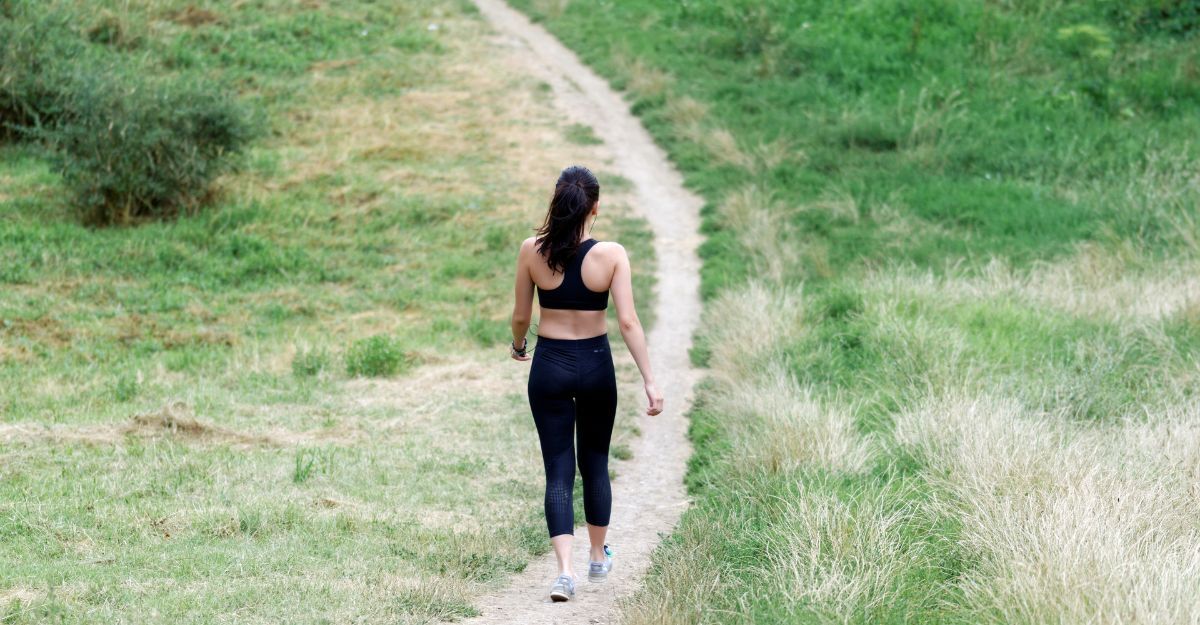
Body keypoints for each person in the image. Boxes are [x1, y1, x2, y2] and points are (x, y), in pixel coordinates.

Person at [509, 165, 664, 602]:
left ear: (556, 203)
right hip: (595, 365)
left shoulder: (531, 250)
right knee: (594, 462)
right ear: (594, 207)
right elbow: (629, 322)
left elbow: (522, 315)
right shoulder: (612, 255)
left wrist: (520, 344)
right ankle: (598, 556)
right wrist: (651, 381)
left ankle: (563, 573)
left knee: (558, 470)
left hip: (550, 365)